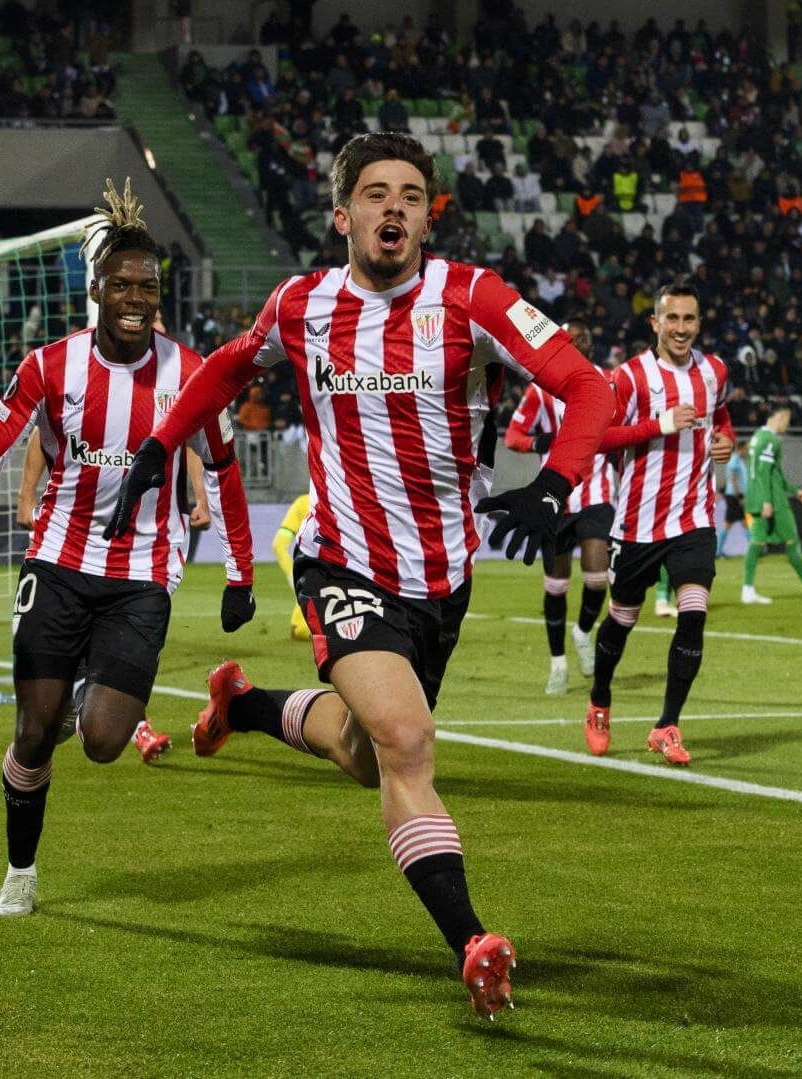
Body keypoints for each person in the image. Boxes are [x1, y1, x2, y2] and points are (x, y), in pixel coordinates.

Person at [101, 132, 614, 1017]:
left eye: (412, 195)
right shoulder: (303, 304)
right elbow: (229, 365)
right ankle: (474, 943)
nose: (395, 209)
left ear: (428, 215)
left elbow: (590, 387)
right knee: (408, 744)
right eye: (377, 194)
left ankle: (249, 705)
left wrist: (558, 483)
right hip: (339, 556)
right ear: (344, 215)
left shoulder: (474, 297)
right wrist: (158, 443)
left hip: (441, 579)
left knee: (365, 751)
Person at [0, 180, 258, 917]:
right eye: (122, 284)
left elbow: (225, 469)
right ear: (96, 289)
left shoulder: (190, 374)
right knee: (32, 728)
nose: (136, 297)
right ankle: (20, 872)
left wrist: (239, 571)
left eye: (148, 286)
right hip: (56, 559)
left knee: (107, 740)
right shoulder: (50, 366)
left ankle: (88, 691)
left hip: (142, 575)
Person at [580, 284, 733, 765]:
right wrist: (659, 425)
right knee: (622, 619)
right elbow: (600, 438)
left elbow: (720, 415)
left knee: (693, 615)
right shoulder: (630, 377)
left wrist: (726, 440)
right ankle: (600, 699)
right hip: (638, 523)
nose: (682, 328)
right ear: (655, 323)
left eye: (689, 319)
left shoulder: (715, 371)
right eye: (673, 319)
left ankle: (667, 725)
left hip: (694, 518)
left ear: (699, 323)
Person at [505, 318, 616, 694]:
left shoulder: (609, 380)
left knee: (598, 575)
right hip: (556, 498)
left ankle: (583, 631)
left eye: (583, 335)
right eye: (571, 336)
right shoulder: (541, 388)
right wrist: (540, 442)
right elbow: (513, 436)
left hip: (597, 493)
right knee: (556, 585)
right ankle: (557, 664)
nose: (578, 340)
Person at [740, 407, 802, 604]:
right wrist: (767, 500)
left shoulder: (757, 436)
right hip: (773, 501)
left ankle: (747, 591)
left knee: (756, 542)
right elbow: (765, 471)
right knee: (792, 541)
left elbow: (769, 473)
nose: (787, 423)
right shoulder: (771, 440)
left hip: (754, 497)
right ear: (776, 417)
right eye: (786, 418)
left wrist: (795, 490)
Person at [275, 491, 314, 640]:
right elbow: (279, 545)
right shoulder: (345, 502)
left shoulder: (303, 503)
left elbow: (279, 545)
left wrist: (293, 574)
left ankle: (301, 624)